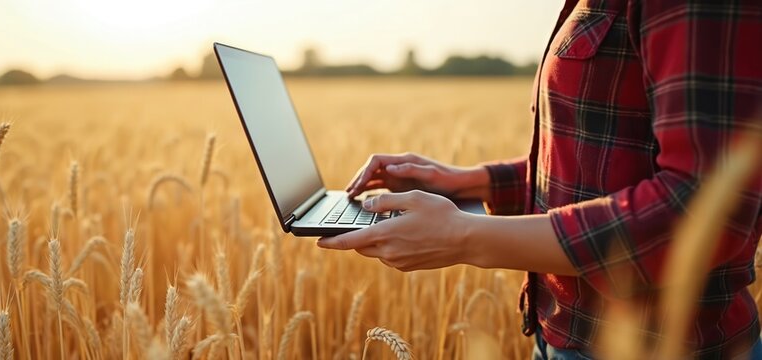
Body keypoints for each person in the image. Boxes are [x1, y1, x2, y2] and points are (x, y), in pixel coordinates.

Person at [316, 0, 762, 358]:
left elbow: (704, 207)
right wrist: (468, 181)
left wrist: (464, 236)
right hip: (560, 337)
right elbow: (597, 163)